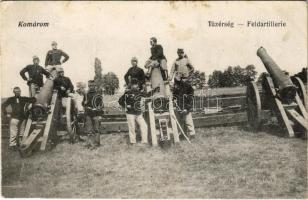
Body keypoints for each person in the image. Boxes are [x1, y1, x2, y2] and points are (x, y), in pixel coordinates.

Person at [118, 78, 159, 146]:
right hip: (130, 113)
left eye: (136, 84)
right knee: (132, 128)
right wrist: (126, 106)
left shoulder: (139, 92)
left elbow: (147, 95)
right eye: (134, 85)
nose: (136, 86)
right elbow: (120, 101)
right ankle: (133, 142)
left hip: (138, 113)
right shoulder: (127, 93)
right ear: (131, 85)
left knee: (144, 126)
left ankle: (144, 142)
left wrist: (155, 89)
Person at [82, 80, 103, 149]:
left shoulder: (98, 94)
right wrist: (84, 103)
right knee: (89, 131)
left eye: (92, 85)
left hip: (96, 114)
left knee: (97, 129)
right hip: (88, 114)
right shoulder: (86, 94)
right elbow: (83, 104)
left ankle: (97, 144)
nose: (91, 87)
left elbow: (101, 105)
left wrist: (100, 114)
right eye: (90, 86)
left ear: (95, 86)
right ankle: (91, 145)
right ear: (88, 86)